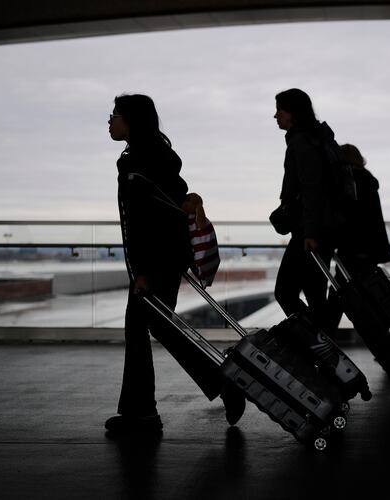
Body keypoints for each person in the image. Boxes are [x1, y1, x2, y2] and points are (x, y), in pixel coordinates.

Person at [105, 93, 245, 433]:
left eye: (115, 115)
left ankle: (144, 413)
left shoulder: (142, 160)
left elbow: (151, 221)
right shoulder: (153, 157)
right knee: (156, 326)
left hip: (154, 261)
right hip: (163, 258)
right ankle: (218, 384)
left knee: (141, 330)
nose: (110, 121)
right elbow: (173, 206)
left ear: (132, 121)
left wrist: (144, 273)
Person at [272, 88, 345, 330]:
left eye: (279, 110)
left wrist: (311, 233)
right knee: (315, 295)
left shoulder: (302, 141)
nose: (275, 116)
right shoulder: (318, 138)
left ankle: (317, 342)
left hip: (310, 230)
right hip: (325, 226)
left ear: (292, 113)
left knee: (285, 292)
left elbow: (312, 188)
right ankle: (323, 347)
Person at [324, 143, 390, 337]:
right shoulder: (368, 181)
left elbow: (347, 216)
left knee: (339, 294)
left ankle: (325, 338)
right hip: (370, 249)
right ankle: (388, 339)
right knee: (368, 296)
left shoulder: (350, 181)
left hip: (352, 248)